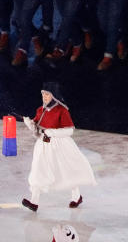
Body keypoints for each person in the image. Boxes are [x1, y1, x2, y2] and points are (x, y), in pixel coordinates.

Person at [21, 81, 96, 211]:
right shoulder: (40, 110)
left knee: (67, 171)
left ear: (54, 95)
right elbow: (37, 131)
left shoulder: (62, 110)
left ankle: (76, 196)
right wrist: (30, 124)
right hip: (43, 146)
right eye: (43, 94)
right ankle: (34, 201)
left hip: (60, 146)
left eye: (47, 94)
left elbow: (69, 130)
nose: (44, 97)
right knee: (38, 170)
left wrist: (52, 132)